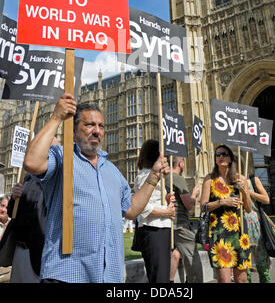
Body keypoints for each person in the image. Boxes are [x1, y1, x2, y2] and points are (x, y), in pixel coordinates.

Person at [23, 93, 170, 283]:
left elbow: (132, 210)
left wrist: (154, 177)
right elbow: (32, 162)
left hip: (109, 277)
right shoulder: (62, 157)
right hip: (67, 274)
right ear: (74, 130)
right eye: (89, 124)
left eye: (101, 126)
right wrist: (57, 117)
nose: (96, 131)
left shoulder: (112, 170)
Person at [200, 145, 252, 283]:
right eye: (217, 155)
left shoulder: (240, 178)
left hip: (240, 233)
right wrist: (222, 202)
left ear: (230, 158)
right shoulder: (209, 179)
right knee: (224, 280)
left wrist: (245, 191)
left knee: (241, 280)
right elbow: (203, 207)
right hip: (219, 233)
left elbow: (249, 208)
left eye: (223, 154)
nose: (220, 157)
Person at [134, 139, 175, 283]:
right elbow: (142, 207)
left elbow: (155, 201)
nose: (165, 159)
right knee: (159, 278)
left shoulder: (158, 176)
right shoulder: (145, 176)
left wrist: (167, 199)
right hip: (153, 229)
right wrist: (166, 212)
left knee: (161, 276)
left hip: (161, 229)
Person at [165, 156, 202, 283]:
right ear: (180, 164)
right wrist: (195, 194)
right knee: (192, 255)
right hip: (179, 224)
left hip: (169, 223)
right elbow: (189, 204)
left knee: (176, 252)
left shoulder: (165, 178)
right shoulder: (177, 178)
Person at [7, 174, 46, 282]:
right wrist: (14, 198)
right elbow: (12, 212)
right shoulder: (27, 178)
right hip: (18, 250)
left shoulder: (50, 179)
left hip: (36, 254)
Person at [245, 174, 271, 283]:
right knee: (244, 263)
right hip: (240, 226)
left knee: (262, 262)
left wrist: (249, 192)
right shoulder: (229, 181)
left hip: (256, 225)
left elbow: (266, 199)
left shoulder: (253, 180)